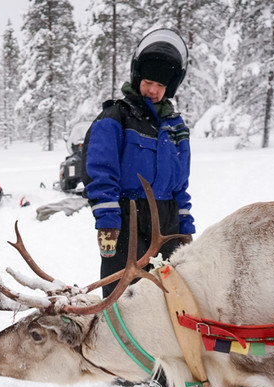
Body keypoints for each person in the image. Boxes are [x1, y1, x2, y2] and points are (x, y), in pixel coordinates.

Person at [82, 27, 194, 298]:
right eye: (148, 82)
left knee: (169, 296)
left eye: (160, 85)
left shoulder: (176, 127)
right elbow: (99, 170)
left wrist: (185, 225)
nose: (153, 90)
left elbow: (180, 183)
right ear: (137, 77)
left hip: (166, 222)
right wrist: (107, 219)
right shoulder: (115, 117)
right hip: (125, 218)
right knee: (124, 297)